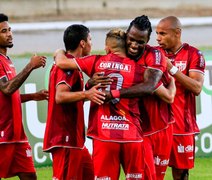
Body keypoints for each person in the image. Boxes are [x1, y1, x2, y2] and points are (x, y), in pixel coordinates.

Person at [85, 15, 176, 180]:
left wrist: (113, 94)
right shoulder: (118, 53)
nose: (134, 45)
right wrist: (89, 83)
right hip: (132, 129)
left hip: (155, 128)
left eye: (140, 42)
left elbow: (151, 87)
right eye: (131, 39)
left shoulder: (154, 55)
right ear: (127, 34)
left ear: (147, 41)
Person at [43, 24, 106, 180]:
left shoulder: (70, 63)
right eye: (90, 39)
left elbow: (72, 97)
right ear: (82, 43)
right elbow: (60, 96)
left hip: (75, 139)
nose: (92, 43)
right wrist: (87, 93)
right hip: (65, 139)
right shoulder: (67, 67)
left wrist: (88, 86)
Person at [156, 16, 205, 180]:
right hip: (157, 127)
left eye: (163, 33)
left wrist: (172, 69)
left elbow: (197, 87)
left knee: (180, 175)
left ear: (177, 33)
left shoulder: (193, 54)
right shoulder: (154, 54)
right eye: (157, 33)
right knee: (153, 174)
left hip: (182, 127)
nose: (158, 38)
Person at [0, 13, 48, 180]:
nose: (9, 34)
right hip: (2, 135)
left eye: (10, 30)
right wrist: (30, 66)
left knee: (30, 176)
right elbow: (6, 89)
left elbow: (9, 96)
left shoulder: (7, 60)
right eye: (3, 31)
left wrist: (34, 96)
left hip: (18, 136)